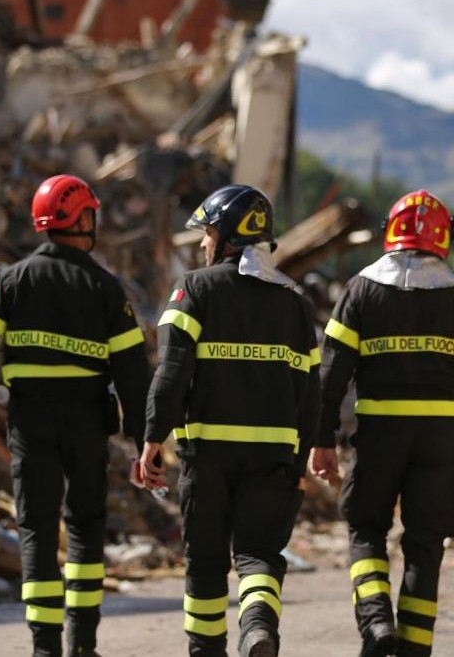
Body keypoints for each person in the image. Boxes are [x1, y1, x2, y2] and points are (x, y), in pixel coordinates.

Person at [0, 174, 150, 657]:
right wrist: (145, 439)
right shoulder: (107, 289)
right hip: (86, 424)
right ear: (82, 218)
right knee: (85, 527)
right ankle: (83, 643)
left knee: (37, 529)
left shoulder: (10, 281)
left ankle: (45, 648)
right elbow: (132, 373)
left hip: (30, 422)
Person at [310, 190, 454, 657]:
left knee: (365, 529)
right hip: (440, 438)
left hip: (380, 433)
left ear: (391, 232)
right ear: (443, 236)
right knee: (425, 544)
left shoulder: (359, 289)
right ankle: (415, 650)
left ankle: (376, 622)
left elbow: (330, 374)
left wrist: (321, 441)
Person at [137, 184, 319, 657]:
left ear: (229, 237)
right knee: (259, 555)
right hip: (274, 457)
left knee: (206, 563)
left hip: (208, 456)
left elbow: (172, 373)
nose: (202, 244)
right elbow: (310, 395)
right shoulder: (296, 305)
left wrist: (153, 438)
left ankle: (206, 651)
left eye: (208, 232)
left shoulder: (193, 290)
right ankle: (258, 625)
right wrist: (299, 465)